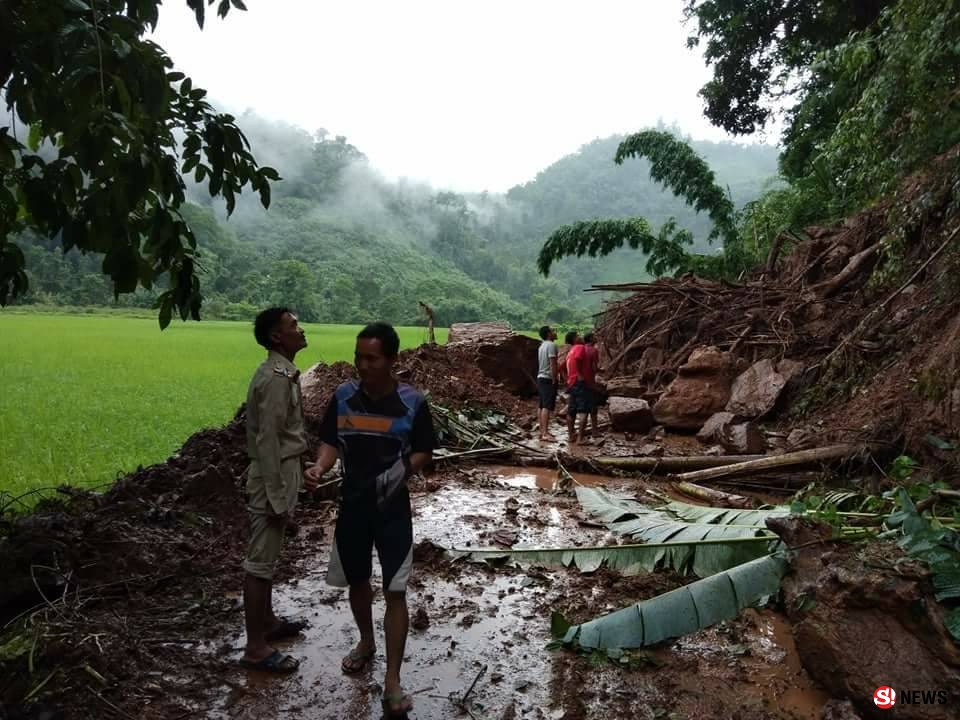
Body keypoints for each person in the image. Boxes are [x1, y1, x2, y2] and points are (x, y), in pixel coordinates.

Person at [305, 322, 437, 718]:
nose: (362, 364)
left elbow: (424, 450)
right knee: (358, 581)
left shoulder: (414, 402)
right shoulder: (343, 396)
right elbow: (330, 441)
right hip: (353, 507)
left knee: (395, 592)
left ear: (392, 360)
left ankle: (393, 680)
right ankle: (366, 642)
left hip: (392, 511)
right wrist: (320, 467)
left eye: (372, 358)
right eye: (359, 356)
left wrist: (403, 470)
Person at [240, 307, 310, 674]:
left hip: (283, 469)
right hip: (273, 474)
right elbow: (267, 441)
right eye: (293, 326)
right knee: (260, 562)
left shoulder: (284, 373)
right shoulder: (276, 378)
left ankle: (266, 623)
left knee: (269, 555)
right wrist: (277, 495)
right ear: (276, 338)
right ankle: (255, 647)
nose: (301, 330)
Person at [563, 330, 589, 445]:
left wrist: (567, 379)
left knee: (571, 410)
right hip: (579, 382)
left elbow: (561, 367)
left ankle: (570, 436)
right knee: (583, 410)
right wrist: (579, 374)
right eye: (578, 335)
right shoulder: (579, 347)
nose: (581, 336)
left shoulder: (570, 351)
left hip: (571, 382)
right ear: (574, 339)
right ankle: (580, 439)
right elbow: (578, 359)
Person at [536, 325, 559, 441]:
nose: (555, 332)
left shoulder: (542, 346)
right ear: (549, 334)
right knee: (547, 406)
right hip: (548, 378)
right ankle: (545, 433)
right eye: (553, 330)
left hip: (540, 377)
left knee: (541, 405)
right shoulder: (551, 345)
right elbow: (553, 364)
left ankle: (542, 431)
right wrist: (554, 379)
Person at [581, 332, 603, 439]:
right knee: (593, 408)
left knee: (582, 408)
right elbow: (594, 368)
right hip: (590, 382)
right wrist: (600, 371)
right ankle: (594, 431)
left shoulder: (581, 349)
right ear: (590, 339)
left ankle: (578, 433)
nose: (596, 337)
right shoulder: (594, 350)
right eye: (595, 336)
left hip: (580, 382)